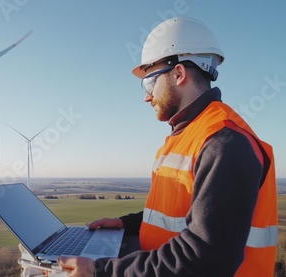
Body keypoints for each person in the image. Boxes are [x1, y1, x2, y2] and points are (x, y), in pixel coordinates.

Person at [57, 17, 278, 277]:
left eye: (149, 82)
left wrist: (102, 271)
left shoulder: (224, 143)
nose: (146, 96)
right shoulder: (186, 135)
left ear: (179, 74)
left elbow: (205, 258)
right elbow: (182, 214)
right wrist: (125, 224)